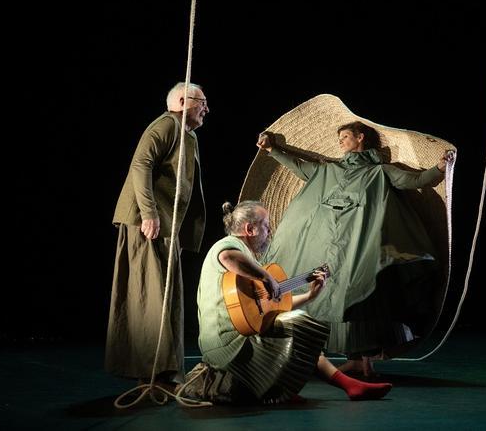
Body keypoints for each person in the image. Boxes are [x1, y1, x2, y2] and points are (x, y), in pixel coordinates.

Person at [256, 121, 451, 376]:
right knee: (327, 293)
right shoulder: (329, 170)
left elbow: (414, 180)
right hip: (329, 243)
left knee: (359, 293)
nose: (341, 141)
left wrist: (439, 167)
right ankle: (356, 360)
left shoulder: (379, 172)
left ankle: (363, 359)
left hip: (361, 244)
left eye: (345, 136)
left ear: (360, 138)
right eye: (339, 137)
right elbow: (301, 168)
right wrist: (272, 150)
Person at [196, 200, 392, 403]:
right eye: (266, 225)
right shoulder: (230, 245)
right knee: (300, 322)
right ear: (250, 229)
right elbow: (228, 257)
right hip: (227, 342)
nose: (269, 231)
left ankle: (346, 385)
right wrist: (267, 277)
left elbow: (273, 309)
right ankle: (302, 389)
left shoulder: (249, 262)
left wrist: (309, 296)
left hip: (238, 335)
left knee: (296, 324)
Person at [105, 82, 209, 390]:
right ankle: (149, 372)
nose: (206, 109)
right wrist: (148, 213)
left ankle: (164, 371)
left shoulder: (187, 134)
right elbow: (141, 164)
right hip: (147, 223)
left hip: (167, 224)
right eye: (201, 102)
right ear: (181, 101)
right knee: (149, 297)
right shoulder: (166, 125)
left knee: (166, 295)